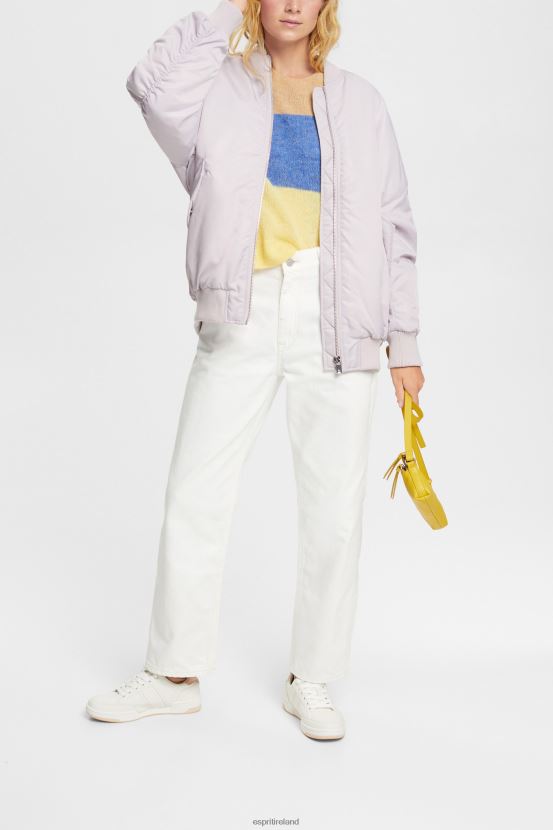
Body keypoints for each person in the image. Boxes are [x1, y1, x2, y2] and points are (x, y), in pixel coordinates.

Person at [86, 0, 425, 740]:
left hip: (338, 315)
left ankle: (313, 677)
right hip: (242, 308)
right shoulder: (216, 89)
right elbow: (150, 84)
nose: (292, 3)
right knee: (195, 493)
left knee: (334, 510)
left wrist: (404, 343)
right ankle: (173, 674)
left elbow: (394, 223)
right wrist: (223, 14)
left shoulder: (363, 103)